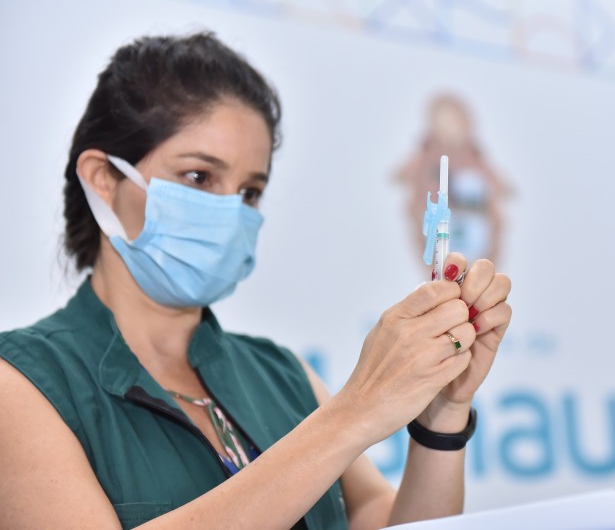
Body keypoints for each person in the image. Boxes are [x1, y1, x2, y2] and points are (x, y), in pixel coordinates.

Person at [0, 32, 512, 530]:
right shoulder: (25, 384)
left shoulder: (280, 373)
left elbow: (385, 521)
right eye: (199, 177)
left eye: (249, 192)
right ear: (103, 179)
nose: (230, 212)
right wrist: (355, 411)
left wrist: (443, 415)